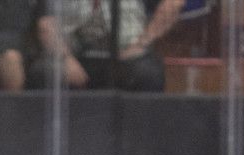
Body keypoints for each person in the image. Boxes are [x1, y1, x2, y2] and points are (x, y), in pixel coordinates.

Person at [35, 0, 180, 93]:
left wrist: (142, 42)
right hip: (73, 55)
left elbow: (173, 3)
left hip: (128, 55)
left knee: (147, 74)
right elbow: (46, 22)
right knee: (44, 73)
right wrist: (65, 58)